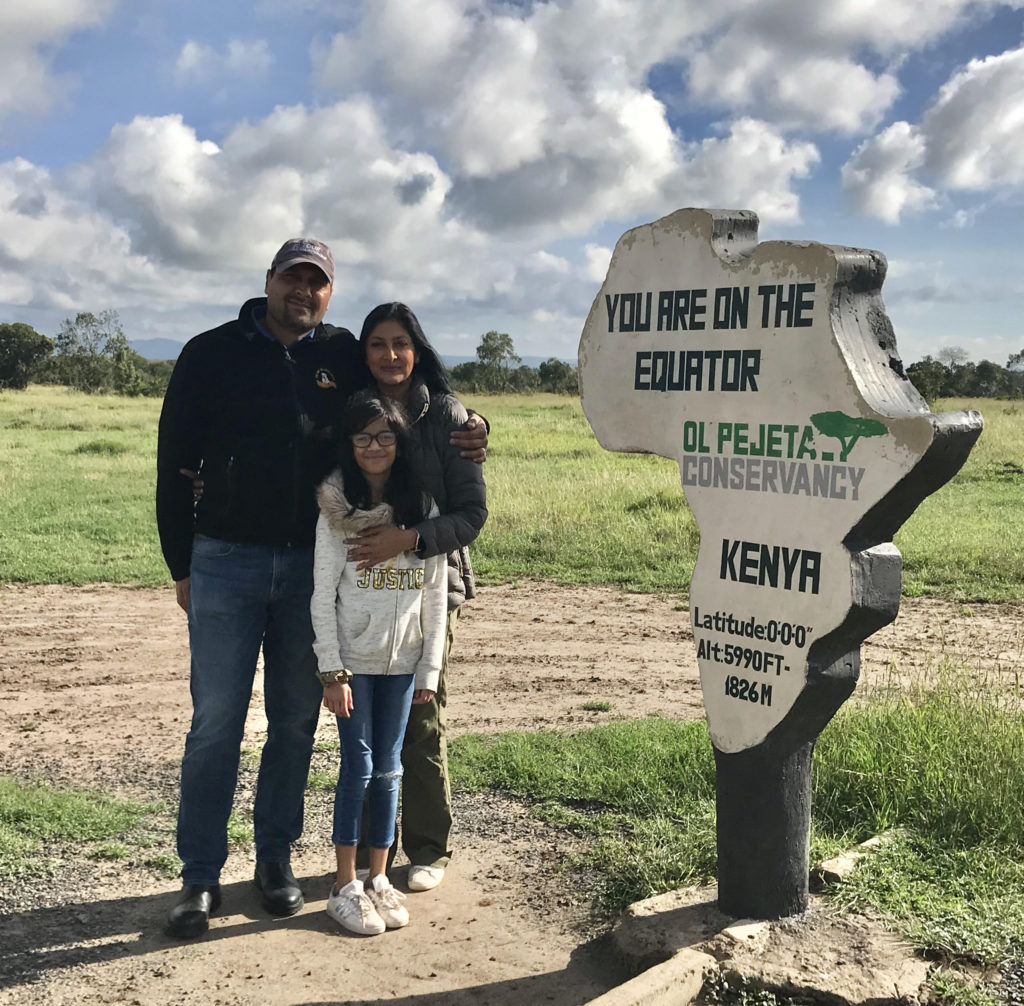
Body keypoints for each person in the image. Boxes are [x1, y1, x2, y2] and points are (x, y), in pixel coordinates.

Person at [155, 241, 486, 939]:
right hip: (225, 561)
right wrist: (182, 565)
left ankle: (273, 863)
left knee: (297, 724)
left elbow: (406, 393)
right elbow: (174, 463)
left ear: (330, 293)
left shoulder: (338, 353)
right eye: (293, 278)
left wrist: (472, 426)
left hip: (312, 569)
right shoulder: (208, 352)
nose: (303, 292)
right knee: (215, 725)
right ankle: (200, 877)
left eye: (318, 282)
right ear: (269, 280)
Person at [345, 302, 487, 891]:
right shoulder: (353, 411)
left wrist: (410, 538)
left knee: (421, 717)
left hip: (430, 586)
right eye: (377, 344)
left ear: (418, 348)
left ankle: (429, 848)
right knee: (366, 728)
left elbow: (472, 514)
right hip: (362, 591)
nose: (390, 355)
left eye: (400, 343)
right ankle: (372, 853)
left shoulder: (448, 414)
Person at [312, 397, 447, 935]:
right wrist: (331, 670)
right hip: (353, 667)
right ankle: (343, 885)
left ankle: (378, 878)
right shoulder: (333, 512)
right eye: (363, 438)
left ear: (400, 444)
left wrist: (429, 669)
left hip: (404, 664)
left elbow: (435, 596)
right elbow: (322, 596)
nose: (374, 447)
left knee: (390, 767)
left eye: (384, 437)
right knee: (358, 767)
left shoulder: (423, 510)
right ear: (349, 445)